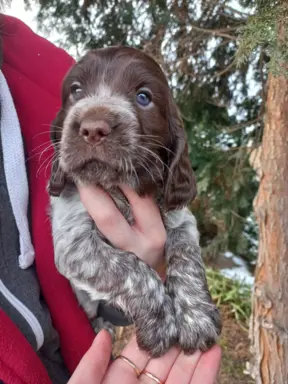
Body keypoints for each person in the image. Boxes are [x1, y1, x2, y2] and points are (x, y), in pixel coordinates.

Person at [0, 11, 221, 384]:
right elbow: (72, 252)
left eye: (143, 96)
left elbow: (180, 222)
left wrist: (183, 283)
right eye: (79, 92)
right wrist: (147, 292)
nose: (94, 123)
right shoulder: (68, 180)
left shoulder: (37, 64)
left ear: (171, 141)